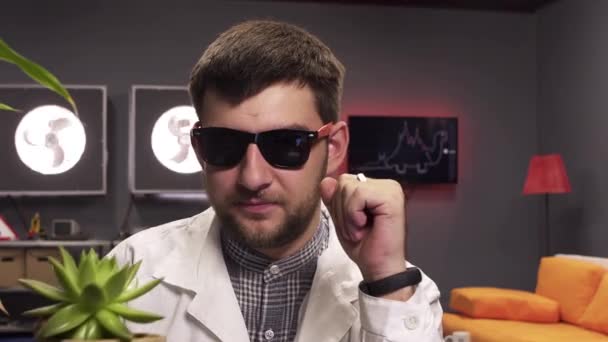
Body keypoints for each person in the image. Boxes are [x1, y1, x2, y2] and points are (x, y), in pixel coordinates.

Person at [109, 20, 443, 341]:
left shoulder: (405, 296)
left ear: (335, 147)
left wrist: (386, 280)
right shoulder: (130, 271)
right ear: (198, 148)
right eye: (223, 144)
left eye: (287, 145)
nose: (253, 177)